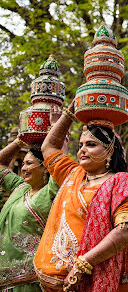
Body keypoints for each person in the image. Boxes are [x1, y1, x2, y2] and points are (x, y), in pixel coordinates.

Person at [33, 103, 128, 292]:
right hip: (52, 284)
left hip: (94, 278)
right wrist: (70, 112)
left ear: (110, 150)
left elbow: (126, 230)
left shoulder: (123, 183)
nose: (82, 150)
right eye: (81, 145)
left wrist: (83, 264)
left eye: (91, 144)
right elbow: (49, 147)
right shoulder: (73, 174)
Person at [0, 112, 63, 291]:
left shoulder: (51, 191)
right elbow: (1, 163)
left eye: (29, 164)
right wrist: (20, 141)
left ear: (45, 167)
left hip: (31, 281)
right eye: (23, 163)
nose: (23, 168)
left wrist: (56, 126)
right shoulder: (20, 187)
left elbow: (57, 156)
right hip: (4, 281)